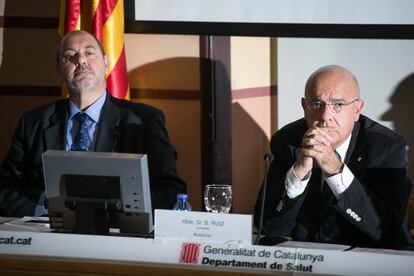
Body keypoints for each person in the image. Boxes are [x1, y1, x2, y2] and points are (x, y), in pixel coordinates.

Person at [0, 30, 186, 217]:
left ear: (106, 62)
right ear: (59, 69)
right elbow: (4, 188)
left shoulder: (144, 120)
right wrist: (47, 204)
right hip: (48, 235)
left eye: (89, 53)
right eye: (70, 55)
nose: (80, 60)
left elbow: (171, 191)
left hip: (116, 237)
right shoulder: (33, 123)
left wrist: (109, 207)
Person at [255, 65, 412, 248]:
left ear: (357, 109)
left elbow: (385, 231)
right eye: (316, 104)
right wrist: (299, 173)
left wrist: (336, 170)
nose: (325, 116)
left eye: (338, 104)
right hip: (309, 261)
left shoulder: (386, 146)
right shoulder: (288, 141)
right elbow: (268, 227)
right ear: (305, 107)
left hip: (372, 260)